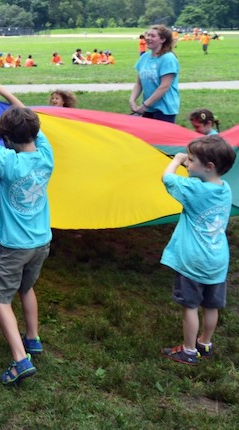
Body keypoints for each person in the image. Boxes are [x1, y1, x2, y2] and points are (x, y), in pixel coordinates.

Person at [0, 82, 53, 385]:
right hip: (41, 241)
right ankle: (33, 337)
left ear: (6, 140)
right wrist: (3, 91)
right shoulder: (46, 153)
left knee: (1, 297)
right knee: (26, 288)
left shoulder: (7, 162)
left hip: (14, 245)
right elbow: (27, 116)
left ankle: (19, 359)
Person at [159, 135, 235, 365]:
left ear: (209, 166)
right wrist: (192, 162)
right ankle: (205, 343)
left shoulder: (194, 189)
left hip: (193, 261)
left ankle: (189, 351)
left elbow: (167, 178)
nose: (187, 163)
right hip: (217, 260)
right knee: (211, 305)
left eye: (191, 160)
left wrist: (176, 159)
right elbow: (203, 178)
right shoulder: (225, 188)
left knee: (190, 307)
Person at [130, 25, 179, 123]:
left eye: (152, 36)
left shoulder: (168, 58)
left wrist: (145, 105)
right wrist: (132, 100)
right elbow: (139, 83)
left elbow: (164, 86)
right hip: (148, 108)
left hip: (164, 109)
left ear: (162, 39)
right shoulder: (144, 57)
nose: (148, 38)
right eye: (147, 35)